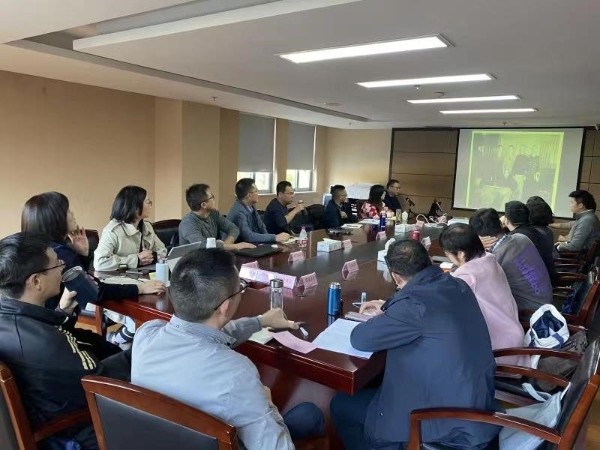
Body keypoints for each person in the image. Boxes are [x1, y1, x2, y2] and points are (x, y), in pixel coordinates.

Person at [131, 249, 324, 449]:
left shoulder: (147, 334)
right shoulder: (236, 373)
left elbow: (203, 334)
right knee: (310, 414)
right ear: (225, 306)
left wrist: (260, 321)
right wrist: (268, 404)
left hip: (159, 440)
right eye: (241, 288)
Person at [330, 240, 499, 449]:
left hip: (444, 421)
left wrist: (392, 311)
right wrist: (390, 307)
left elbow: (360, 338)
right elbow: (425, 307)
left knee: (341, 405)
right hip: (476, 404)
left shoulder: (413, 306)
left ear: (396, 276)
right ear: (427, 260)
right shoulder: (457, 284)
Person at [0, 232, 132, 450]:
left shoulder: (12, 317)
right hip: (78, 429)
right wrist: (140, 353)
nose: (62, 267)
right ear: (36, 281)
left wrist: (63, 314)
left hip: (51, 401)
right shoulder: (45, 344)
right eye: (56, 264)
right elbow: (101, 381)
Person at [21, 192, 165, 356]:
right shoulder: (59, 253)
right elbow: (95, 291)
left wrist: (81, 255)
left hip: (39, 329)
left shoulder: (33, 248)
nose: (73, 214)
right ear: (55, 219)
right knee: (122, 354)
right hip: (55, 333)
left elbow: (76, 282)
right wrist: (140, 288)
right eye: (68, 211)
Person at [439, 224, 529, 367]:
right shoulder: (489, 258)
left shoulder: (466, 277)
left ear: (461, 254)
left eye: (448, 254)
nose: (449, 258)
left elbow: (444, 305)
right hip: (513, 337)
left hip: (498, 351)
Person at [470, 208, 552, 310]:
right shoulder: (522, 238)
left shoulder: (493, 259)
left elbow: (468, 279)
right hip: (546, 303)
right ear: (501, 224)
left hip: (529, 313)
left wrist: (474, 246)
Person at [94, 185, 167, 271]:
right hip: (120, 276)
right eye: (147, 202)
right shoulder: (113, 230)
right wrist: (135, 260)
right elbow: (100, 263)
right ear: (135, 207)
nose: (150, 205)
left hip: (145, 274)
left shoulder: (147, 226)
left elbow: (163, 250)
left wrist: (153, 255)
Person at [179, 183, 254, 250]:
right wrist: (236, 246)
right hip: (194, 260)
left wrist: (226, 245)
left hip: (211, 256)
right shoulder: (188, 223)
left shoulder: (214, 214)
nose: (214, 199)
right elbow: (204, 246)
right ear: (203, 205)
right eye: (211, 197)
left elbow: (233, 229)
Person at [503, 201, 556, 285]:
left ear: (506, 220)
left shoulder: (515, 238)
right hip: (547, 280)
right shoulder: (535, 232)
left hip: (535, 285)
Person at [227, 178, 290, 244]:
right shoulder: (239, 211)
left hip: (250, 244)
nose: (258, 193)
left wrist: (270, 242)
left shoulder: (251, 206)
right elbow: (248, 236)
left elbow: (261, 226)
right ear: (249, 195)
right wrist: (275, 237)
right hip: (234, 247)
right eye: (256, 191)